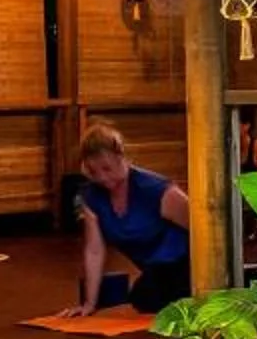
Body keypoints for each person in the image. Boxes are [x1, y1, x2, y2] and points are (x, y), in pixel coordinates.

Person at [62, 120, 192, 315]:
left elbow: (203, 232)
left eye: (107, 169)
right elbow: (94, 251)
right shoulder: (92, 197)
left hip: (185, 265)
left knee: (151, 299)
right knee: (143, 299)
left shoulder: (157, 190)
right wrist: (89, 304)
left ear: (122, 158)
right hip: (156, 271)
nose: (103, 178)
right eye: (94, 172)